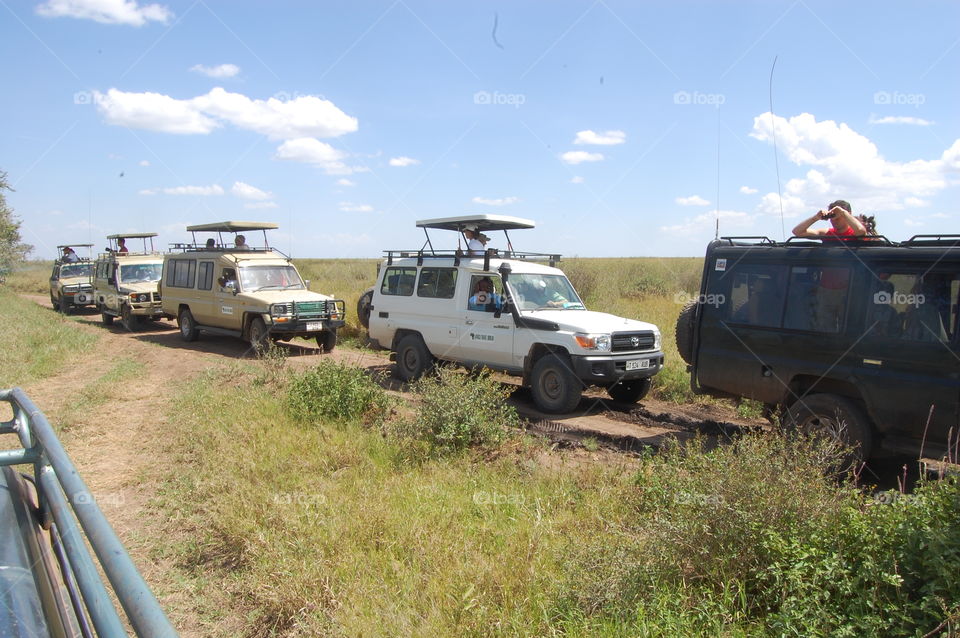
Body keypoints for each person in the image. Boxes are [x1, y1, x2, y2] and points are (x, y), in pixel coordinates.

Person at [791, 200, 866, 240]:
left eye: (838, 218)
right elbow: (797, 231)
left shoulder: (855, 233)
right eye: (832, 218)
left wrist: (843, 213)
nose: (834, 220)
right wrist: (816, 218)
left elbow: (860, 231)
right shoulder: (826, 234)